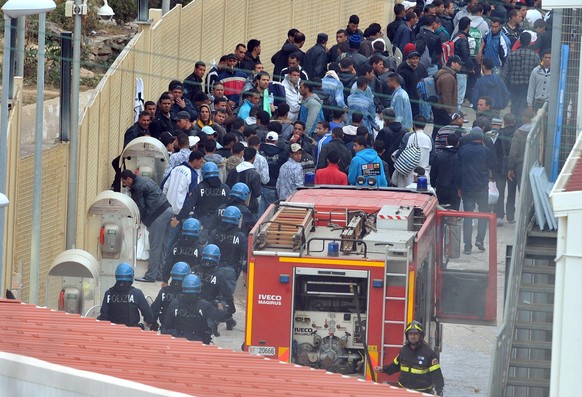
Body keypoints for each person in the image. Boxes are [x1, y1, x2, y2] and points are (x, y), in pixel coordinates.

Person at [121, 170, 173, 283]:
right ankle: (159, 274)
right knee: (164, 245)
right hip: (168, 210)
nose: (125, 184)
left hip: (158, 215)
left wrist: (138, 221)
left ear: (129, 179)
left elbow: (140, 207)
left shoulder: (137, 187)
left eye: (125, 182)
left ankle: (150, 276)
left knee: (155, 246)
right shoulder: (145, 180)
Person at [455, 128, 497, 254]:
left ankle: (467, 246)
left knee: (468, 216)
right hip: (482, 188)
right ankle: (480, 240)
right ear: (482, 138)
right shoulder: (486, 151)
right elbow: (493, 165)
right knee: (483, 214)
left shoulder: (463, 150)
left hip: (467, 188)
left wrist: (458, 187)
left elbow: (457, 170)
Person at [374, 321, 444, 396]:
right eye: (410, 334)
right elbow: (395, 366)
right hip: (404, 391)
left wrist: (439, 392)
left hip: (422, 392)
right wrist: (383, 369)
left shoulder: (429, 353)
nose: (412, 336)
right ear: (407, 336)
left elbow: (437, 375)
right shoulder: (404, 350)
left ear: (421, 336)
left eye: (415, 334)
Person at [162, 274, 226, 344]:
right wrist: (219, 304)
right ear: (199, 288)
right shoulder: (204, 305)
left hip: (178, 341)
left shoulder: (175, 303)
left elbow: (166, 325)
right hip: (199, 342)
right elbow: (221, 316)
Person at [176, 162, 230, 243]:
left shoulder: (199, 188)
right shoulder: (225, 188)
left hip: (202, 224)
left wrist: (178, 218)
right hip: (219, 225)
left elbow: (188, 206)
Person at [194, 244, 235, 335]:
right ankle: (213, 325)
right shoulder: (219, 275)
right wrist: (231, 310)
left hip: (192, 304)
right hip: (210, 306)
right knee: (222, 304)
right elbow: (227, 295)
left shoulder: (194, 270)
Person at [208, 206, 248, 297]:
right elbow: (248, 255)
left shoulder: (214, 233)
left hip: (213, 270)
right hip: (230, 271)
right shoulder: (240, 237)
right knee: (225, 301)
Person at [98, 263, 154, 328]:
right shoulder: (137, 293)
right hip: (133, 332)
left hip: (112, 331)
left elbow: (103, 317)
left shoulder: (108, 294)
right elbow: (149, 316)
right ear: (131, 276)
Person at [161, 218, 205, 285]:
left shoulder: (176, 246)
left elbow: (168, 263)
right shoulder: (200, 248)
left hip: (176, 282)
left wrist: (165, 279)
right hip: (192, 283)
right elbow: (202, 268)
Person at [150, 261, 189, 331]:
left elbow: (154, 310)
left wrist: (153, 324)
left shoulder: (164, 291)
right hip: (185, 331)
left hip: (166, 329)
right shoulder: (189, 294)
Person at [431, 133, 461, 209]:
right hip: (456, 190)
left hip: (441, 188)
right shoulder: (460, 156)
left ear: (446, 142)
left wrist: (433, 185)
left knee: (441, 210)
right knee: (454, 212)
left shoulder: (439, 155)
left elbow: (433, 173)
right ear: (458, 143)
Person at [527, 49, 551, 113]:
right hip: (538, 102)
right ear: (542, 58)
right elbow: (531, 88)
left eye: (549, 58)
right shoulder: (535, 71)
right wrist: (529, 105)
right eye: (545, 57)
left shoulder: (555, 72)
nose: (547, 59)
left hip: (550, 104)